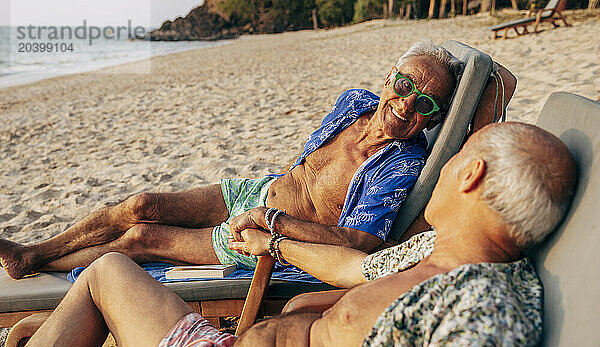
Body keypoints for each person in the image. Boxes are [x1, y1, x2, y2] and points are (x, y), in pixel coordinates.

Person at [0, 122, 577, 347]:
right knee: (108, 272)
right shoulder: (433, 251)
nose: (444, 170)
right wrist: (276, 243)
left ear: (471, 175)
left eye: (457, 161)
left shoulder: (483, 308)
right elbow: (356, 271)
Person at [0, 40, 463, 280]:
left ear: (433, 118)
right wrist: (272, 196)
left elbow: (360, 243)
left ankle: (39, 263)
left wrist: (276, 222)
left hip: (265, 230)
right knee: (141, 205)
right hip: (258, 191)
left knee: (140, 239)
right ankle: (32, 254)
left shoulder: (402, 163)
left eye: (426, 105)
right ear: (389, 78)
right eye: (404, 87)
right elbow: (305, 166)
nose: (406, 105)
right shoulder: (354, 103)